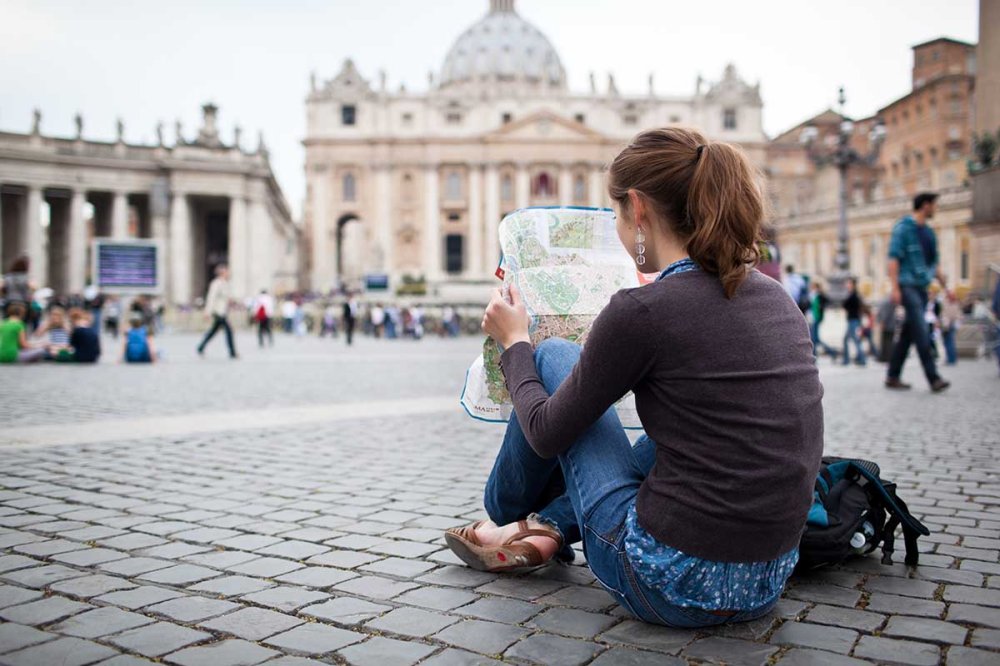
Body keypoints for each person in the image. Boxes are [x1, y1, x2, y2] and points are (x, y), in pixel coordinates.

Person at [444, 128, 823, 629]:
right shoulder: (778, 299)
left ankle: (508, 515)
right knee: (685, 431)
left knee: (553, 355)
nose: (621, 233)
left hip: (666, 583)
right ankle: (550, 526)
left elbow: (544, 432)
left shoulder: (643, 310)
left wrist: (516, 344)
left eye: (618, 216)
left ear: (638, 210)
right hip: (764, 580)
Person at [885, 192, 949, 392]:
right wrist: (895, 287)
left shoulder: (929, 233)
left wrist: (947, 288)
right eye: (934, 205)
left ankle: (892, 376)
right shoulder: (903, 229)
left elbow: (934, 264)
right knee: (922, 331)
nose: (935, 209)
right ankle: (933, 377)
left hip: (922, 287)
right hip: (908, 286)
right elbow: (893, 259)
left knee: (908, 333)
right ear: (925, 205)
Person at [197, 264, 238, 359]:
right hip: (218, 312)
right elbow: (211, 298)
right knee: (229, 331)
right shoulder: (216, 283)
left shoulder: (225, 283)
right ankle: (232, 352)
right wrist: (207, 312)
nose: (229, 273)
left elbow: (226, 297)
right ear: (222, 273)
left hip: (223, 311)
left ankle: (200, 347)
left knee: (213, 331)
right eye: (227, 271)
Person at [808, 282, 837, 359]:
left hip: (817, 318)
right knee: (815, 339)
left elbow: (828, 302)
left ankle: (815, 356)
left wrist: (821, 307)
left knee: (814, 338)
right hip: (813, 318)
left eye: (813, 287)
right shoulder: (813, 296)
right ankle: (831, 352)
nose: (812, 289)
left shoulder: (820, 296)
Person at [842, 278, 866, 366]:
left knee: (855, 340)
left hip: (853, 320)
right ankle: (848, 359)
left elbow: (845, 304)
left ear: (852, 285)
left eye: (848, 283)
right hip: (852, 320)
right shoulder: (852, 294)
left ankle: (861, 359)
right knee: (851, 339)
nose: (846, 285)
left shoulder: (854, 295)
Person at [939, 291, 962, 366]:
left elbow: (943, 314)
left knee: (948, 342)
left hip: (947, 325)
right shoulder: (956, 304)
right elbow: (959, 315)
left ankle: (950, 359)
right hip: (952, 324)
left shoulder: (946, 304)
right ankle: (952, 358)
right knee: (950, 342)